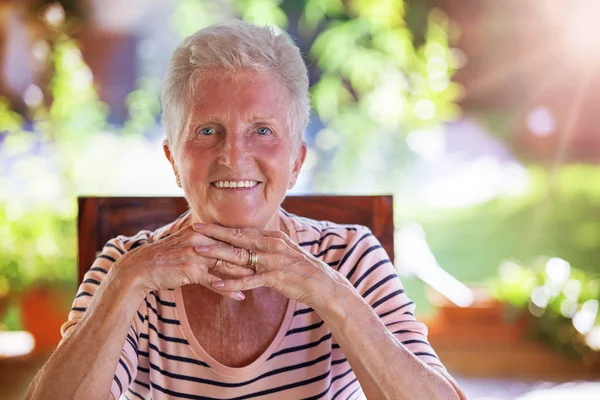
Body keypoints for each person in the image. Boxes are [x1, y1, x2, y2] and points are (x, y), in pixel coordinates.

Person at [25, 20, 465, 400]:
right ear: (173, 161)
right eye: (208, 130)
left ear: (295, 162)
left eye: (262, 130)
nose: (233, 156)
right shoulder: (125, 267)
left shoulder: (350, 258)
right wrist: (127, 283)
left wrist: (327, 291)